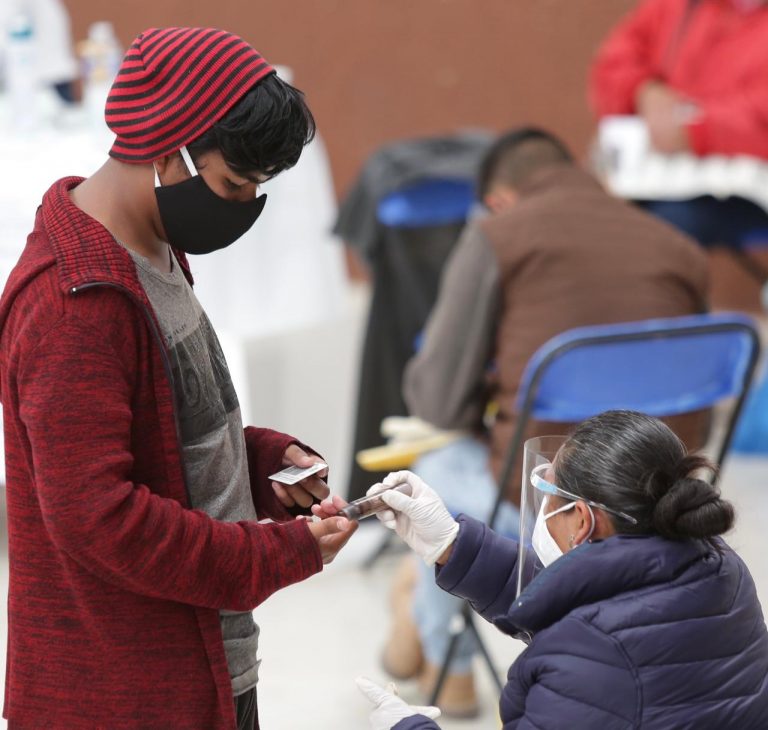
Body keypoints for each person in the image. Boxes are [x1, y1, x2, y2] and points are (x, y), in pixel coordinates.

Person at [0, 27, 356, 729]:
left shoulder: (153, 250)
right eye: (232, 184)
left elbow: (171, 428)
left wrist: (264, 461)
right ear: (168, 148)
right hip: (126, 694)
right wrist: (276, 554)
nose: (242, 205)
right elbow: (99, 517)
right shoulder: (77, 303)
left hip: (204, 661)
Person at [382, 127, 710, 715]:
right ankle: (417, 623)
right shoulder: (677, 245)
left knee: (435, 470)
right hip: (673, 501)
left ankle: (449, 667)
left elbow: (436, 400)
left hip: (557, 509)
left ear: (499, 198)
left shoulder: (499, 236)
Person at [346, 410, 768, 729]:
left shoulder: (589, 660)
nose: (541, 504)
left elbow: (594, 639)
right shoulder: (721, 569)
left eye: (547, 489)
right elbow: (598, 606)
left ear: (582, 520)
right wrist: (453, 546)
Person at [589, 0, 768, 248]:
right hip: (653, 174)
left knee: (655, 231)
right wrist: (643, 90)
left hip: (746, 189)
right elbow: (613, 62)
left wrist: (699, 130)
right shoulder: (676, 5)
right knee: (583, 215)